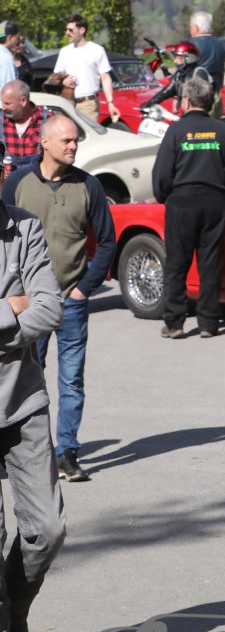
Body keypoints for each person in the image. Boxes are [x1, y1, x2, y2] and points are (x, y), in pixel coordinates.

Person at [2, 115, 114, 483]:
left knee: (71, 380)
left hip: (72, 302)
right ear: (45, 143)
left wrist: (84, 287)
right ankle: (20, 451)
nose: (73, 145)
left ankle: (67, 452)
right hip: (27, 305)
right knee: (23, 380)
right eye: (66, 140)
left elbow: (107, 241)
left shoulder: (88, 185)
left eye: (75, 140)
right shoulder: (18, 182)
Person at [0, 187, 65, 632]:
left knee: (47, 530)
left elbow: (50, 308)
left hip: (23, 401)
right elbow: (26, 309)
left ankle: (15, 617)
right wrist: (11, 309)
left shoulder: (24, 227)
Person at [152, 75, 225, 339]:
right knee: (210, 264)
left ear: (185, 101)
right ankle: (208, 322)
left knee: (176, 264)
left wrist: (165, 196)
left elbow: (162, 174)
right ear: (207, 101)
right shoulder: (221, 130)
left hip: (181, 203)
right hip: (213, 202)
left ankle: (174, 322)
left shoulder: (176, 130)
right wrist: (222, 188)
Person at [54, 15, 118, 124]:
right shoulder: (64, 52)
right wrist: (64, 80)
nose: (67, 33)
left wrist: (110, 103)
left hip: (88, 104)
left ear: (82, 30)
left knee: (89, 134)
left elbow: (105, 78)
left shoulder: (96, 50)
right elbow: (56, 76)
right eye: (66, 30)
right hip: (67, 103)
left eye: (71, 30)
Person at [1, 82, 51, 174]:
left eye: (7, 103)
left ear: (23, 101)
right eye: (2, 103)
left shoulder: (47, 120)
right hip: (10, 182)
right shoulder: (1, 121)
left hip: (37, 181)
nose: (3, 108)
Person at [189, 11, 225, 85]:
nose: (190, 31)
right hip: (217, 88)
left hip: (196, 88)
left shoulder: (190, 46)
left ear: (196, 28)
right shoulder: (222, 45)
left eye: (190, 27)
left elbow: (184, 71)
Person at [3, 24, 32, 90]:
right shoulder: (7, 60)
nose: (21, 45)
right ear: (9, 39)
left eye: (23, 42)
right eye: (18, 42)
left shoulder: (24, 60)